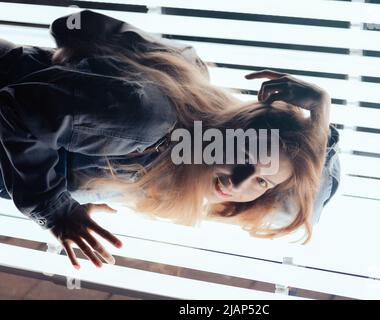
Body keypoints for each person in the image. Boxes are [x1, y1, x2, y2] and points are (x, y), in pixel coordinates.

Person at [0, 10, 340, 269]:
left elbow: (71, 24)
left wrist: (74, 185)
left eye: (262, 181)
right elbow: (13, 112)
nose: (239, 182)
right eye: (245, 153)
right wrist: (54, 208)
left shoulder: (181, 156)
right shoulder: (150, 121)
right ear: (237, 124)